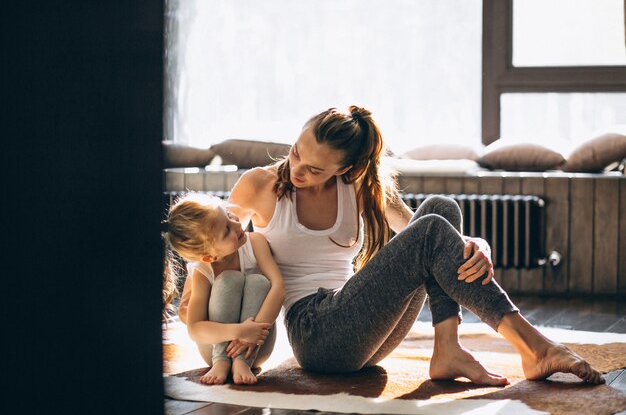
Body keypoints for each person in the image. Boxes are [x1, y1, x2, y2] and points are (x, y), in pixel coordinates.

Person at [181, 105, 604, 386]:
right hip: (315, 334)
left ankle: (447, 348)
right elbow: (212, 235)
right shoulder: (260, 184)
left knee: (441, 208)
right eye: (295, 154)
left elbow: (425, 230)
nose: (296, 170)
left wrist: (476, 243)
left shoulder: (360, 187)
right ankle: (535, 348)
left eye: (313, 168)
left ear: (345, 167)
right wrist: (194, 297)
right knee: (436, 225)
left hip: (365, 329)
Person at [162, 193, 285, 385]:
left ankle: (242, 362)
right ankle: (222, 363)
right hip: (215, 352)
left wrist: (251, 334)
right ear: (208, 257)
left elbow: (279, 288)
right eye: (227, 230)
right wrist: (239, 332)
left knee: (259, 282)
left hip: (257, 345)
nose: (237, 225)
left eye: (229, 215)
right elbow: (195, 329)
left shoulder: (256, 242)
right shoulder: (202, 272)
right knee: (228, 279)